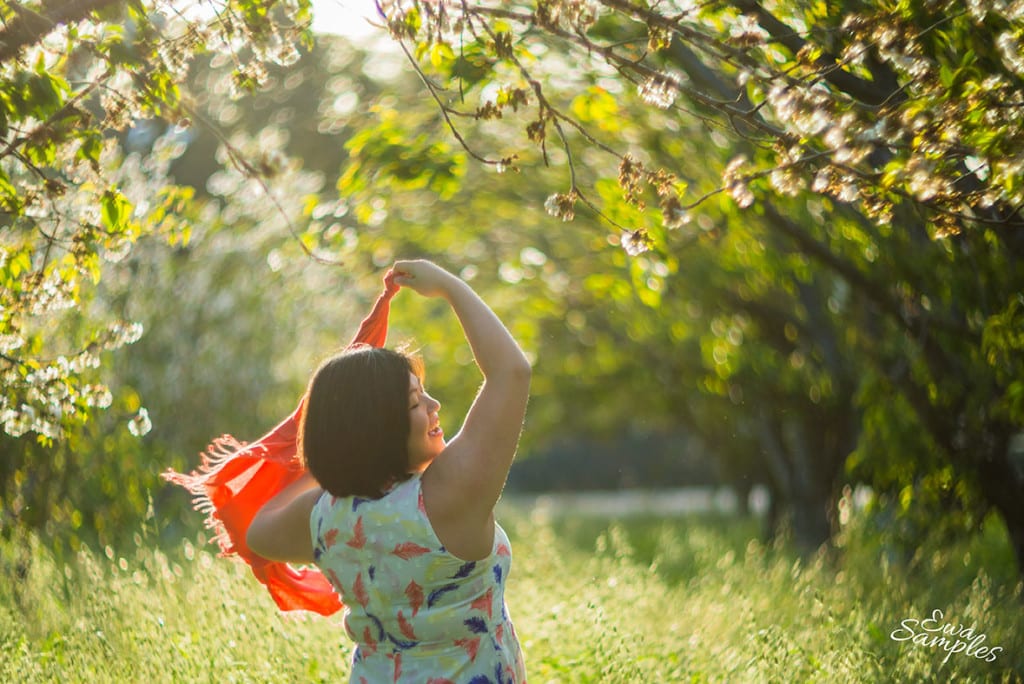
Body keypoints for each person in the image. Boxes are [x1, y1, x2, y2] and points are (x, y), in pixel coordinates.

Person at [246, 260, 531, 683]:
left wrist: (336, 456)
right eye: (415, 402)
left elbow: (257, 531)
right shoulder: (449, 493)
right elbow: (511, 372)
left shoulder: (323, 517)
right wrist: (448, 286)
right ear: (378, 428)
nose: (434, 406)